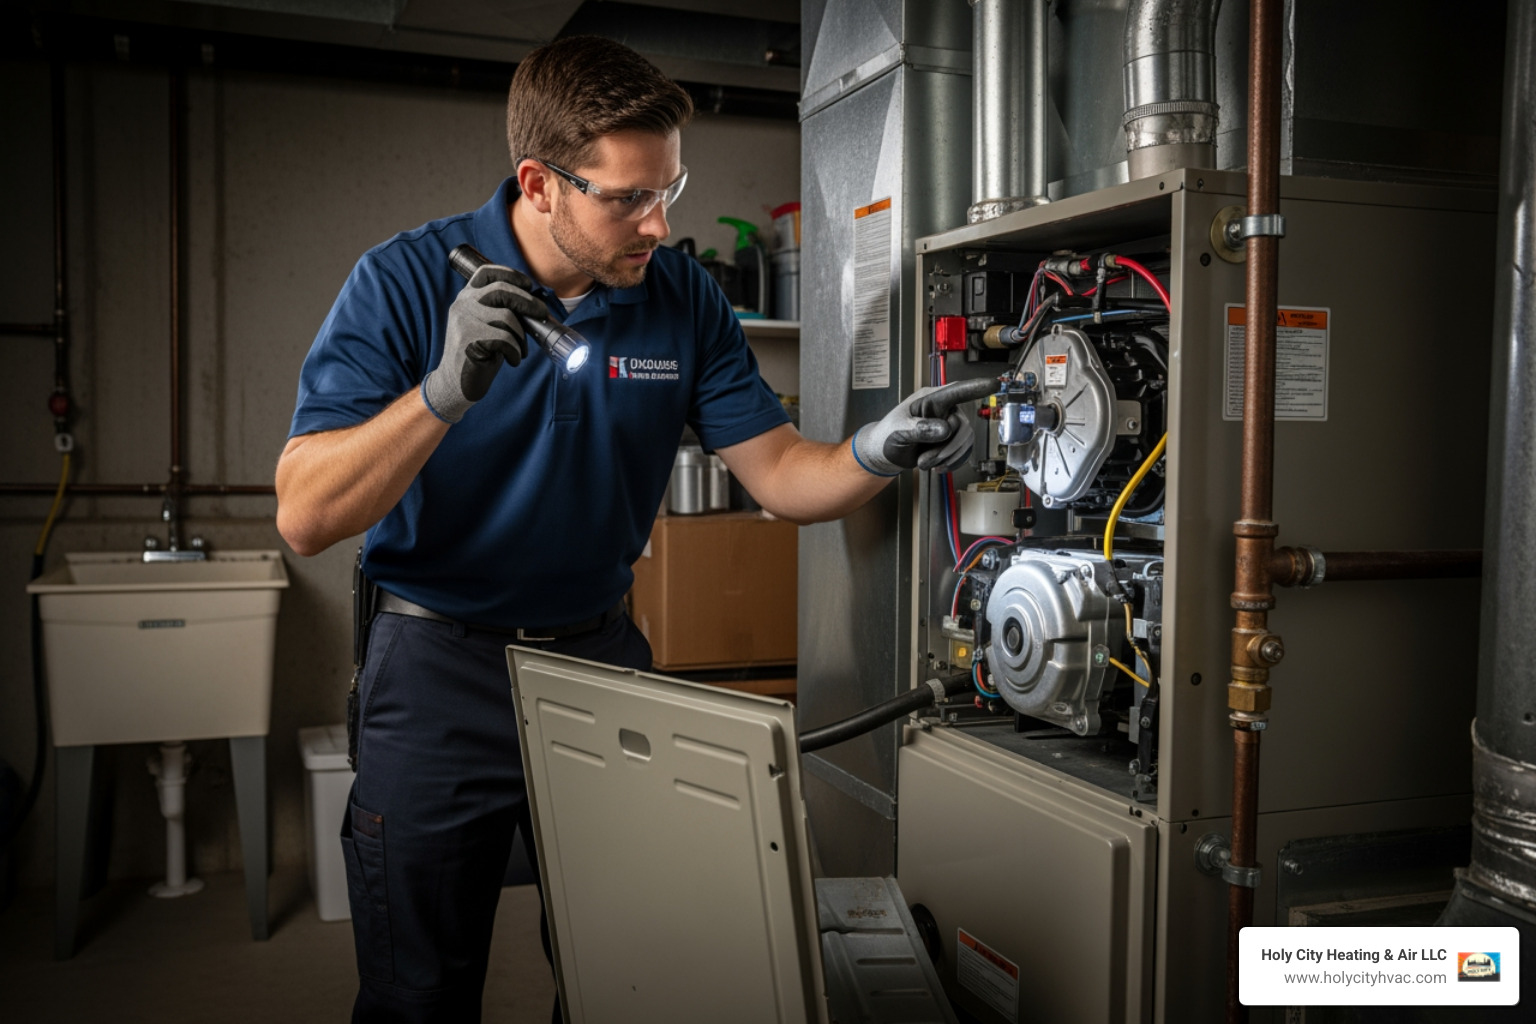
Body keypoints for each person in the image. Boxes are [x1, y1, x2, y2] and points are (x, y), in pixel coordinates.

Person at [275, 34, 979, 1023]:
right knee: (417, 993)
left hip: (596, 658)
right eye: (629, 198)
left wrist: (876, 447)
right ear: (540, 183)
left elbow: (779, 473)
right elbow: (307, 515)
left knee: (630, 973)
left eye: (670, 190)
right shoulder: (401, 281)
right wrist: (441, 393)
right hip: (437, 669)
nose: (658, 223)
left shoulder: (681, 298)